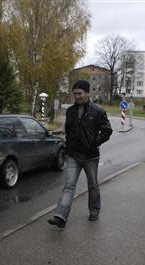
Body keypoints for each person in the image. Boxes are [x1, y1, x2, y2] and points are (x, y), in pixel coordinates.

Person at [47, 80, 113, 228]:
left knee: (93, 185)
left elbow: (107, 131)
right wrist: (67, 150)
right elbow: (69, 132)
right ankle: (60, 216)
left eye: (80, 93)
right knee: (69, 186)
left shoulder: (98, 111)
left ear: (87, 93)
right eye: (75, 93)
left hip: (91, 156)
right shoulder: (70, 111)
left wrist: (94, 142)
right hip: (73, 156)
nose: (77, 96)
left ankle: (94, 210)